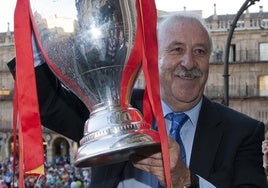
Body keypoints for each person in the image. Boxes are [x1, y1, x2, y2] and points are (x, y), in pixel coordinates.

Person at [8, 12, 267, 187]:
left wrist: (185, 180)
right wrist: (31, 31)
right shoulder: (114, 106)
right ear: (153, 57)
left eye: (200, 51)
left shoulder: (243, 132)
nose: (189, 63)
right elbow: (50, 103)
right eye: (177, 49)